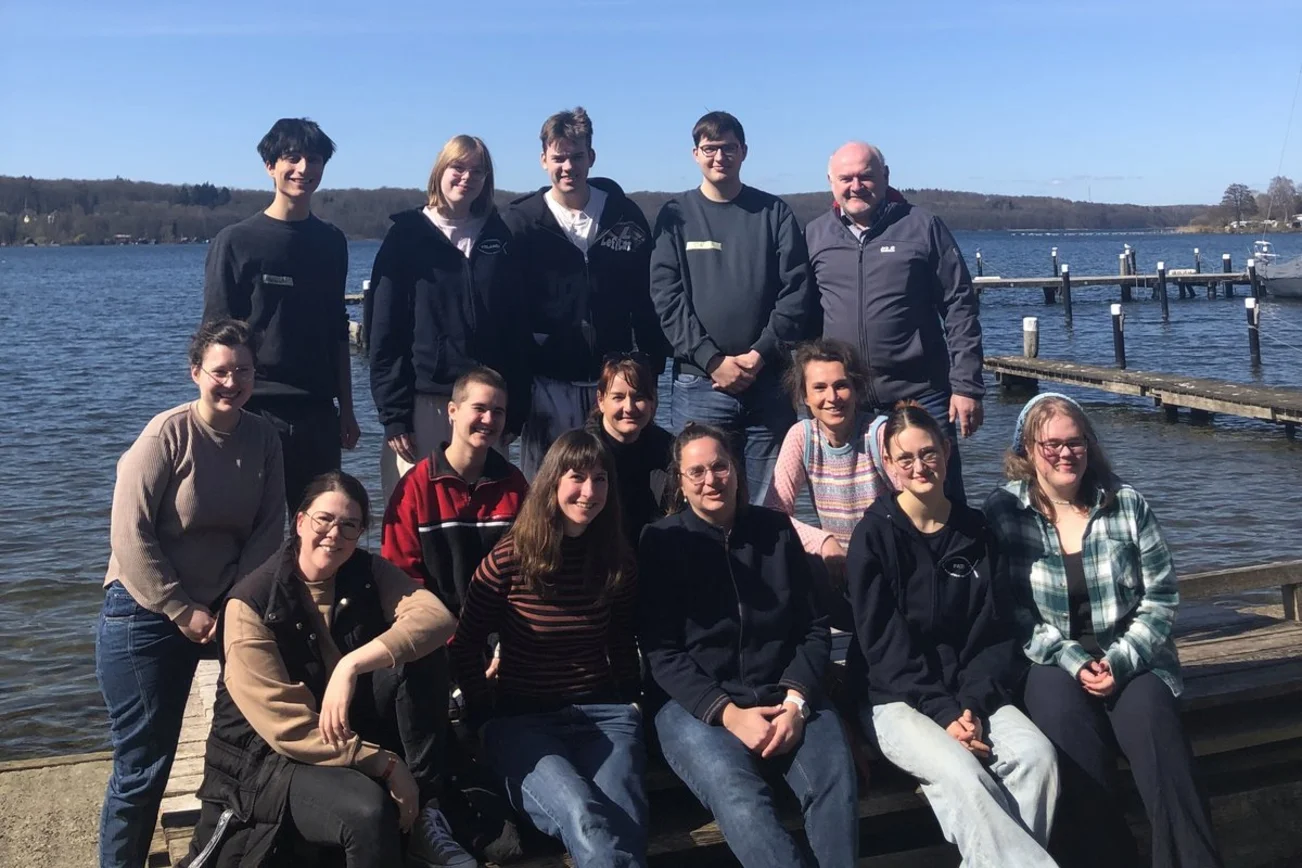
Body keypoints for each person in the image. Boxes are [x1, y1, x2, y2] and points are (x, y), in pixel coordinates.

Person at [985, 393, 1224, 868]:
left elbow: (1161, 597)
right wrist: (1074, 662)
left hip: (1130, 653)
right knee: (1069, 741)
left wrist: (1121, 660)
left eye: (1075, 443)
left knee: (1161, 741)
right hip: (1050, 659)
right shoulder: (1003, 511)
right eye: (1050, 444)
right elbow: (1010, 612)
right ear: (1028, 451)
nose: (1064, 454)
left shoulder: (1126, 503)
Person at [183, 471, 469, 868]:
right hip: (267, 759)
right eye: (324, 519)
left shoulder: (367, 572)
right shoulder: (250, 603)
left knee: (423, 654)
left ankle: (424, 814)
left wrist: (351, 664)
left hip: (340, 727)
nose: (335, 534)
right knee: (366, 811)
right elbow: (287, 728)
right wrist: (385, 764)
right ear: (300, 522)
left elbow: (438, 619)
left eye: (349, 525)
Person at [97, 319, 285, 868]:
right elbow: (129, 534)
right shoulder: (166, 435)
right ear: (196, 373)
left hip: (225, 608)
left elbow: (270, 532)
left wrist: (232, 606)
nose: (231, 383)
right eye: (220, 371)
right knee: (143, 765)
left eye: (242, 372)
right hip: (146, 610)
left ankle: (233, 848)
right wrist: (181, 609)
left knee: (258, 730)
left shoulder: (264, 438)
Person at [846, 402, 1058, 867]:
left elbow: (997, 636)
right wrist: (945, 714)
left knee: (1037, 758)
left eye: (928, 453)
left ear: (946, 451)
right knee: (966, 777)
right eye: (906, 459)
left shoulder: (976, 530)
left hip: (969, 694)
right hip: (895, 699)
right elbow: (883, 649)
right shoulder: (874, 537)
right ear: (889, 464)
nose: (920, 467)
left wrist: (972, 705)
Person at [639, 424, 857, 868]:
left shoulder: (776, 531)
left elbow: (814, 628)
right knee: (740, 797)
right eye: (695, 471)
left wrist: (797, 703)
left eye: (719, 467)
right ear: (680, 482)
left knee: (835, 778)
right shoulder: (660, 541)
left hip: (785, 693)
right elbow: (661, 651)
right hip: (696, 708)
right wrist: (728, 713)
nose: (710, 480)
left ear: (737, 471)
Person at [449, 430, 646, 867]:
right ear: (552, 482)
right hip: (524, 719)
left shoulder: (617, 559)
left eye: (600, 479)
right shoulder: (509, 560)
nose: (589, 491)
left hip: (604, 716)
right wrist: (482, 719)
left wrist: (632, 701)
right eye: (577, 477)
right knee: (585, 816)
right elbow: (466, 646)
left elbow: (620, 636)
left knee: (626, 820)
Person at [381, 366, 529, 861]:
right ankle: (432, 811)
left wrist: (504, 645)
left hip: (497, 643)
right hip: (437, 643)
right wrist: (452, 649)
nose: (488, 419)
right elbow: (402, 586)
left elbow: (528, 577)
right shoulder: (415, 488)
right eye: (479, 408)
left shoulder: (514, 486)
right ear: (451, 412)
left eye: (498, 411)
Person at [805, 141, 983, 504]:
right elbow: (804, 321)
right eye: (846, 178)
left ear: (885, 177)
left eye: (866, 176)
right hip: (849, 402)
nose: (856, 186)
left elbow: (959, 305)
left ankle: (955, 562)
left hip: (921, 393)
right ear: (830, 182)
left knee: (938, 500)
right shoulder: (815, 235)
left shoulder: (921, 226)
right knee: (866, 509)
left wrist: (966, 385)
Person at [650, 111, 813, 504]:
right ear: (695, 154)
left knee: (770, 502)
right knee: (702, 496)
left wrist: (759, 355)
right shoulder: (676, 216)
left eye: (728, 148)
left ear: (744, 152)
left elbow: (796, 293)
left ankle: (762, 568)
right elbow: (666, 298)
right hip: (699, 383)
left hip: (770, 382)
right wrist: (711, 360)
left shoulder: (774, 214)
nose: (719, 156)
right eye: (710, 148)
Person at [202, 117, 358, 511]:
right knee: (253, 535)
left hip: (320, 413)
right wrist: (217, 416)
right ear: (270, 166)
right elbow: (215, 337)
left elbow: (339, 329)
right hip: (255, 411)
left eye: (315, 159)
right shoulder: (236, 242)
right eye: (292, 158)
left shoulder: (332, 242)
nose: (304, 169)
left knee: (318, 529)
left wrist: (348, 410)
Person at [504, 106, 670, 478]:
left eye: (577, 156)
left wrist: (651, 366)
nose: (568, 166)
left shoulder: (623, 216)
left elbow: (648, 297)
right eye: (559, 157)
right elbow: (508, 310)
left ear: (591, 157)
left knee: (614, 482)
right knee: (549, 484)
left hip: (614, 380)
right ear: (543, 158)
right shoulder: (521, 223)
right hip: (548, 380)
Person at [369, 135, 530, 502]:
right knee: (413, 512)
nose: (466, 177)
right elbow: (384, 331)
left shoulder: (499, 236)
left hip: (486, 403)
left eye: (477, 170)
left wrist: (516, 407)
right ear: (440, 171)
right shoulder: (406, 237)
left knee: (485, 512)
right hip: (423, 401)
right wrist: (394, 415)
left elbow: (516, 329)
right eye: (458, 167)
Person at [765, 337, 890, 629]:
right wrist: (822, 541)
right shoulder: (802, 436)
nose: (832, 398)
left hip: (884, 565)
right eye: (819, 388)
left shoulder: (878, 432)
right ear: (805, 397)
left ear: (856, 389)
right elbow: (774, 512)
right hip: (836, 570)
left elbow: (911, 505)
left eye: (841, 385)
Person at [584, 353, 675, 544]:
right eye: (618, 397)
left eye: (639, 397)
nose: (629, 407)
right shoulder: (582, 451)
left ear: (652, 402)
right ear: (601, 400)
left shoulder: (668, 449)